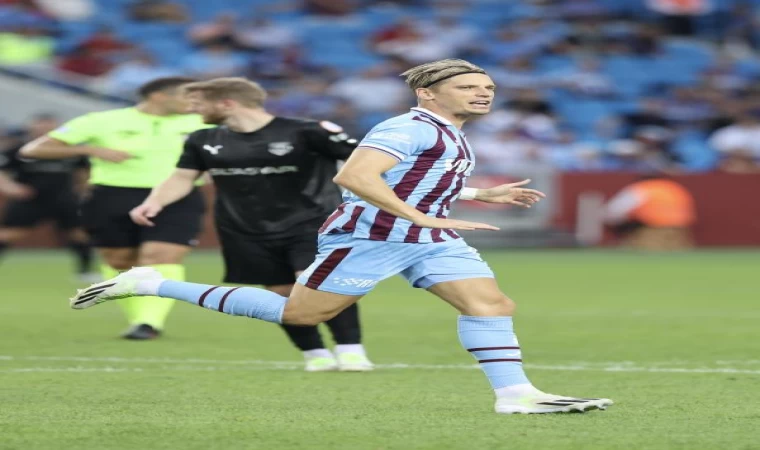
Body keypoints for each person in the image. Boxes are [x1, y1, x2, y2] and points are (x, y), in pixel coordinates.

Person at [70, 59, 613, 414]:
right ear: (428, 92)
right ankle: (152, 284)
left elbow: (414, 179)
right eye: (468, 87)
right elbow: (353, 177)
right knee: (300, 315)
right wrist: (422, 217)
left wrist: (478, 194)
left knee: (491, 304)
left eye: (488, 87)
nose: (483, 94)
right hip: (370, 236)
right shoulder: (408, 126)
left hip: (426, 236)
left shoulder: (447, 132)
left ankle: (516, 395)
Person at [128, 77, 373, 372]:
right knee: (281, 293)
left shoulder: (307, 131)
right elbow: (182, 177)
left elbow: (368, 161)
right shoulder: (202, 139)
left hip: (313, 225)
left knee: (318, 286)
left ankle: (350, 350)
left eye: (198, 103)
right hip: (244, 229)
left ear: (226, 103)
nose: (192, 109)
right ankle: (314, 353)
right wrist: (154, 202)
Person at [21, 77, 208, 340]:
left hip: (177, 197)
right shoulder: (102, 120)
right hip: (113, 196)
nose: (193, 103)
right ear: (159, 96)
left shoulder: (201, 122)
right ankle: (138, 319)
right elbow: (34, 149)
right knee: (119, 261)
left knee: (161, 255)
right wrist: (91, 149)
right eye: (187, 97)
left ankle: (149, 322)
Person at [0, 114, 96, 281]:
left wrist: (84, 191)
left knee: (79, 234)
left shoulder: (70, 150)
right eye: (40, 127)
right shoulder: (19, 150)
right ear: (31, 128)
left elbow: (84, 173)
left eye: (49, 127)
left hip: (65, 199)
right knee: (9, 234)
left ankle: (85, 272)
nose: (44, 130)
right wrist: (12, 188)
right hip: (31, 199)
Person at [604, 174, 696, 250]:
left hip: (651, 230)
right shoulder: (674, 187)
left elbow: (613, 211)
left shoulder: (642, 188)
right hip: (680, 232)